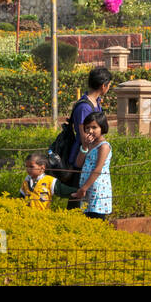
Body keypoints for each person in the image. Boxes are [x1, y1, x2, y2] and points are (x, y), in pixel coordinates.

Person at [62, 67, 113, 209]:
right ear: (104, 85)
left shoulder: (97, 103)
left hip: (92, 155)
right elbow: (85, 137)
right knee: (76, 199)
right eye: (108, 86)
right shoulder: (85, 107)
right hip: (82, 157)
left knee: (87, 202)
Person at [71, 111, 112, 219]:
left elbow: (98, 170)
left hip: (98, 190)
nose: (90, 131)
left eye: (94, 127)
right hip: (87, 188)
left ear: (102, 128)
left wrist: (83, 188)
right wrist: (85, 146)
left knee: (97, 217)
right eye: (87, 127)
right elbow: (78, 164)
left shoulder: (104, 146)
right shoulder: (90, 144)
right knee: (87, 217)